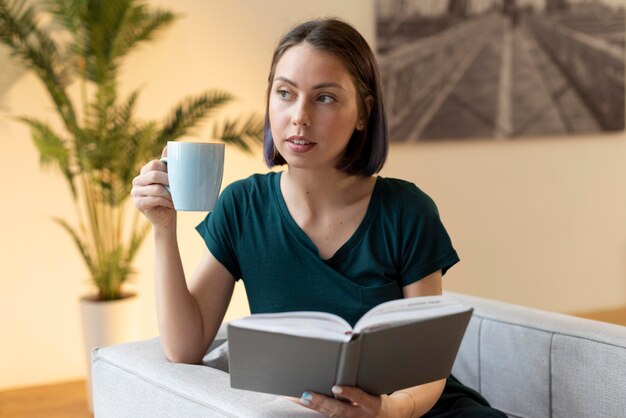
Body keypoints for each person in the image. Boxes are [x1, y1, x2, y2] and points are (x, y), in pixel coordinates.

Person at [132, 18, 506, 418]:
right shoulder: (243, 206)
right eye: (285, 93)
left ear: (364, 112)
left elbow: (428, 362)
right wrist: (163, 231)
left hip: (414, 412)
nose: (299, 116)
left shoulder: (407, 211)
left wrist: (388, 412)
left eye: (324, 98)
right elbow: (183, 347)